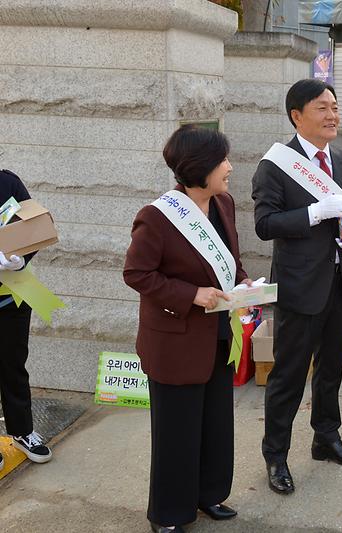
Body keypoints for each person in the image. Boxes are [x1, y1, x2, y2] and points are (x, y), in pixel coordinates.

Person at [123, 125, 249, 532]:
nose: (229, 167)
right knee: (176, 432)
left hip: (217, 335)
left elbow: (229, 260)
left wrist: (244, 284)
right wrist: (189, 294)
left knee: (215, 422)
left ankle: (208, 495)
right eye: (222, 160)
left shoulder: (223, 203)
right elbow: (137, 273)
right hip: (176, 341)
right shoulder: (157, 217)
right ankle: (169, 514)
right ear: (200, 167)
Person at [252, 79, 342, 494]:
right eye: (322, 108)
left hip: (339, 281)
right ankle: (276, 456)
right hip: (301, 286)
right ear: (296, 115)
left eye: (335, 107)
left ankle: (326, 436)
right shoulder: (275, 164)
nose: (332, 115)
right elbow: (265, 225)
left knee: (331, 371)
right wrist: (315, 211)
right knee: (287, 377)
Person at [0, 170, 53, 471]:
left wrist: (21, 257)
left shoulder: (8, 182)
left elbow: (34, 227)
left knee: (14, 365)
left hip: (12, 296)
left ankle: (22, 431)